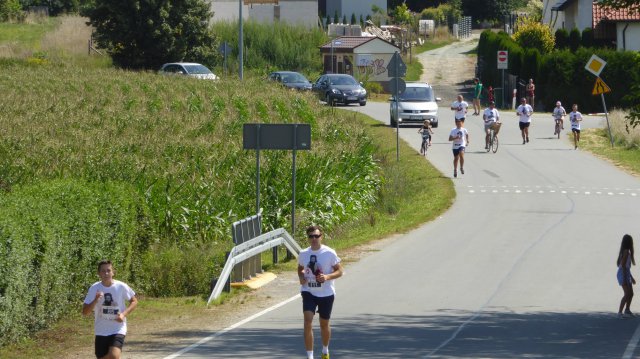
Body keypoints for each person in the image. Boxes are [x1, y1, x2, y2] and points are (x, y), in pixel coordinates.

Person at [298, 225, 344, 359]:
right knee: (308, 321)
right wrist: (301, 277)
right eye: (311, 236)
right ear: (308, 238)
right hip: (308, 291)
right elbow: (300, 268)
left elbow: (340, 271)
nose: (314, 239)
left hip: (326, 293)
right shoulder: (303, 253)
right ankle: (310, 356)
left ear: (321, 237)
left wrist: (327, 277)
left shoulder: (329, 253)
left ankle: (325, 351)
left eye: (316, 236)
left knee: (324, 324)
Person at [83, 260, 138, 359]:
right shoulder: (94, 288)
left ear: (113, 272)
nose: (106, 273)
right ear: (99, 273)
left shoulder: (121, 286)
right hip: (101, 330)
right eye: (103, 271)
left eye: (108, 270)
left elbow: (134, 301)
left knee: (114, 356)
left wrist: (123, 314)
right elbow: (85, 312)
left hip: (118, 328)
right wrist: (95, 300)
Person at [617, 234, 636, 318]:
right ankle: (620, 312)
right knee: (627, 293)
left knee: (631, 293)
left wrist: (631, 278)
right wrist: (625, 278)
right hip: (623, 273)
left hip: (626, 272)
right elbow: (623, 266)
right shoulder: (626, 252)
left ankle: (627, 309)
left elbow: (627, 267)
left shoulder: (626, 251)